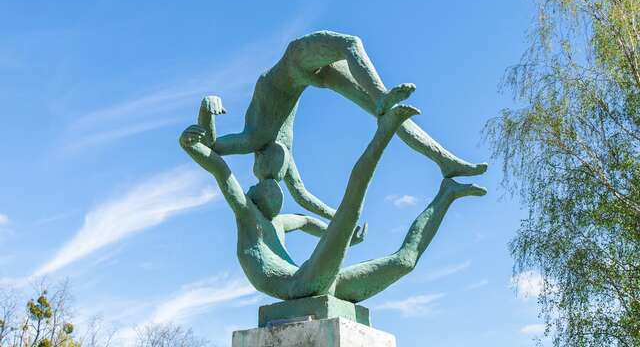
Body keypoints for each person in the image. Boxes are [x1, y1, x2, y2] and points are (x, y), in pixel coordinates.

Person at [180, 104, 486, 302]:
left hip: (315, 283)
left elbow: (307, 221)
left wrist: (345, 240)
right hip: (298, 284)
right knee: (350, 209)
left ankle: (446, 194)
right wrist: (191, 144)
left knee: (404, 262)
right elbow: (221, 170)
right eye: (266, 190)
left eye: (276, 192)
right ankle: (385, 131)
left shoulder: (277, 223)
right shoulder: (247, 214)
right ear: (254, 196)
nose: (275, 194)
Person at [199, 30, 487, 220]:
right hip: (315, 77)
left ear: (259, 176)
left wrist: (206, 108)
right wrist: (339, 217)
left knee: (351, 45)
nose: (278, 181)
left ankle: (381, 96)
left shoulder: (252, 139)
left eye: (268, 188)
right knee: (390, 114)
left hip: (294, 62)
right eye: (279, 189)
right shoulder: (284, 155)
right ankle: (445, 161)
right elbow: (304, 198)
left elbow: (211, 146)